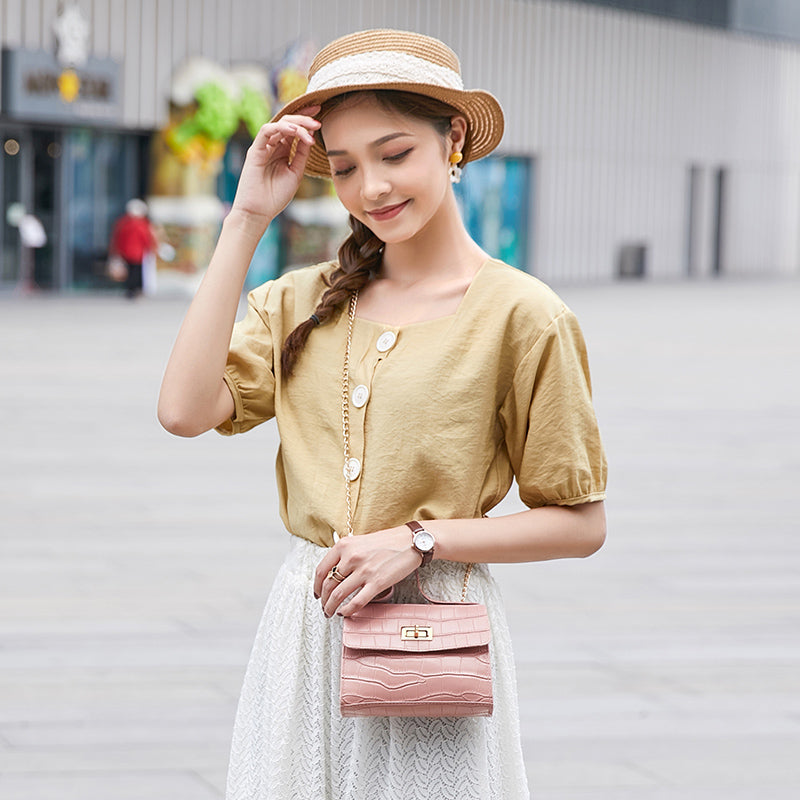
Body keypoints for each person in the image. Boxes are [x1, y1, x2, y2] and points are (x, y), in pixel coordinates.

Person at [158, 29, 607, 800]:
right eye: (345, 167)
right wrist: (245, 220)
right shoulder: (302, 300)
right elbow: (183, 410)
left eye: (395, 154)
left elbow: (581, 523)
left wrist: (420, 541)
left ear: (453, 140)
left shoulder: (525, 316)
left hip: (437, 638)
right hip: (307, 634)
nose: (371, 188)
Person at [109, 199, 156, 298]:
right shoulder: (142, 224)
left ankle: (130, 289)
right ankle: (135, 289)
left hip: (125, 251)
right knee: (137, 271)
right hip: (138, 252)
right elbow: (146, 238)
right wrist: (149, 247)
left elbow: (117, 237)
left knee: (130, 271)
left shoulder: (122, 223)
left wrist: (117, 250)